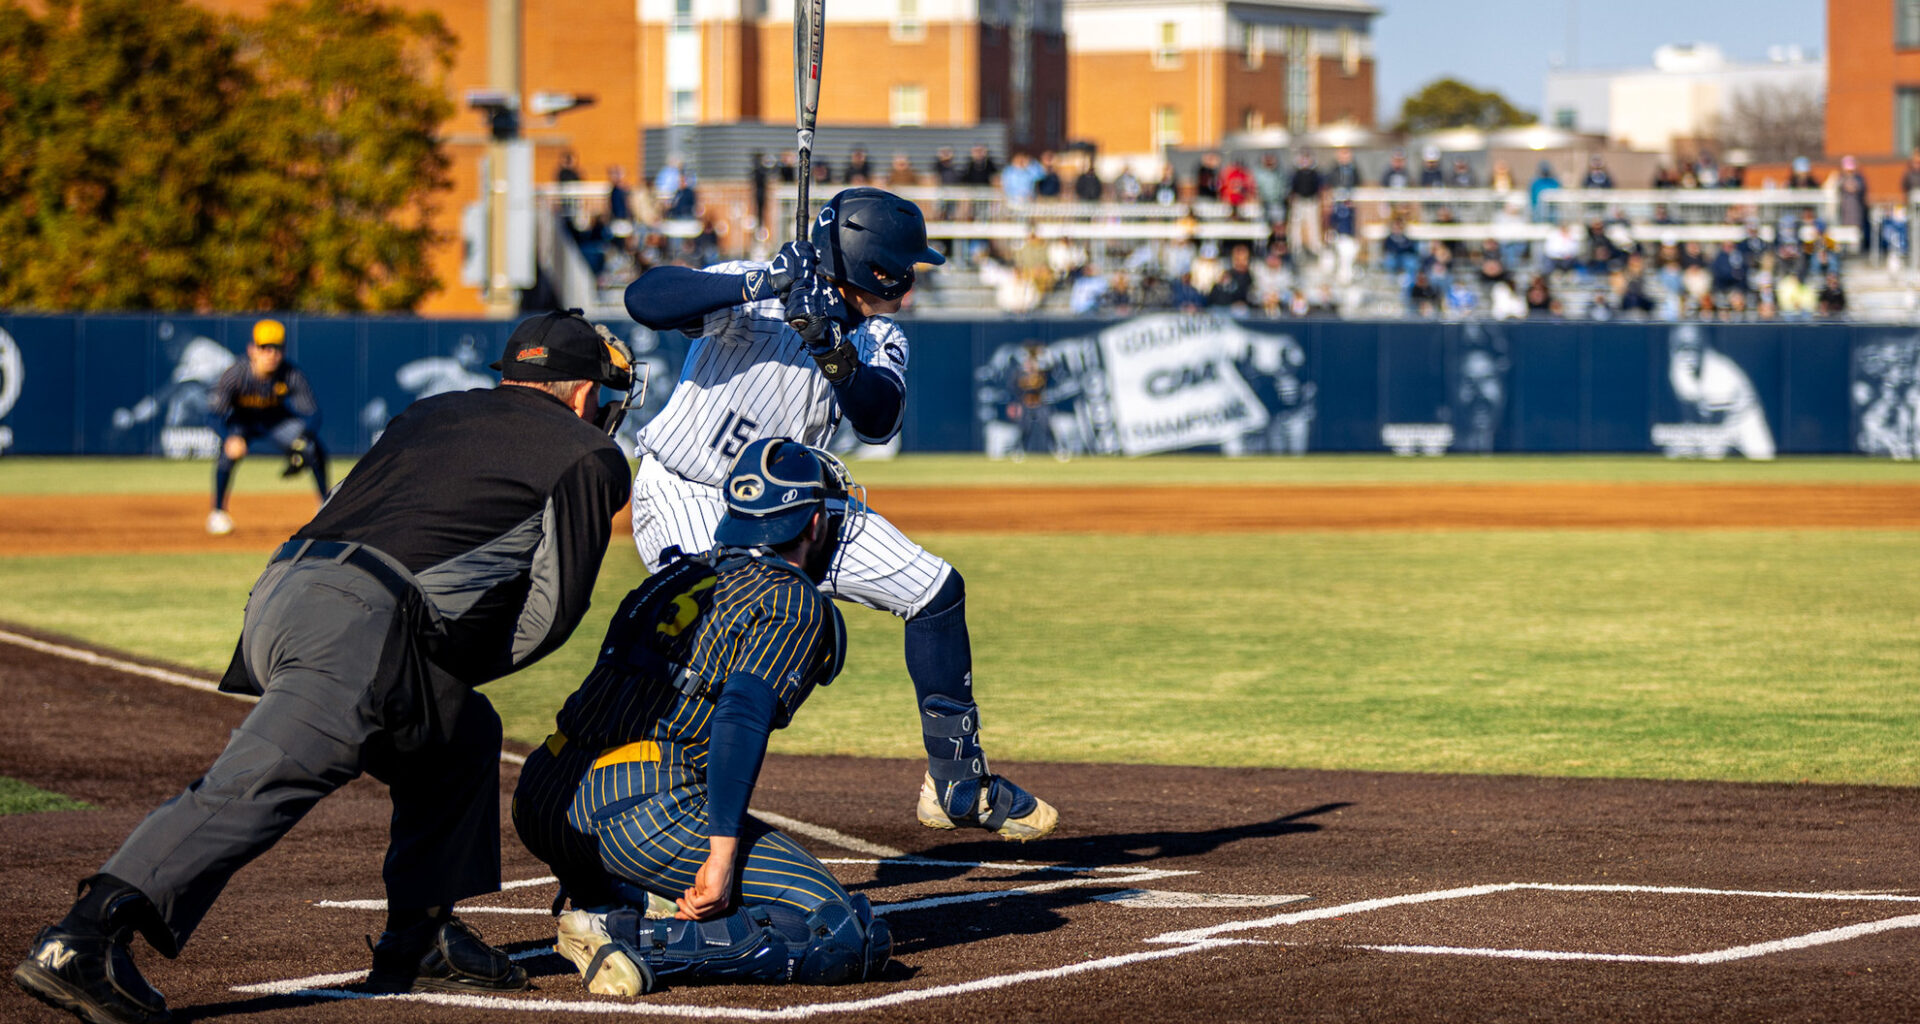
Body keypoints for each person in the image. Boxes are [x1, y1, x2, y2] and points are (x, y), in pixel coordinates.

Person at [13, 310, 637, 1024]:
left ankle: (421, 934)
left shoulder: (432, 412)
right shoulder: (588, 453)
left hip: (283, 588)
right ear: (588, 393)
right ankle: (84, 936)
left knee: (460, 732)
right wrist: (444, 658)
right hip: (357, 623)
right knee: (255, 781)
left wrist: (426, 672)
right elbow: (551, 613)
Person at [620, 187, 1058, 846]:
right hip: (691, 494)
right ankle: (666, 820)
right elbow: (646, 298)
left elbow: (877, 417)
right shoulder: (756, 295)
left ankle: (958, 784)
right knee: (718, 644)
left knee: (935, 590)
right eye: (904, 271)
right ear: (876, 268)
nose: (910, 286)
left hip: (797, 508)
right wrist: (760, 282)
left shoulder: (880, 333)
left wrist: (832, 349)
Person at [512, 438, 890, 995]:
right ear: (812, 523)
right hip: (637, 811)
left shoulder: (673, 576)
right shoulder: (790, 597)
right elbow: (742, 712)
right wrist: (721, 852)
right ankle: (630, 940)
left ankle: (605, 902)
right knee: (839, 933)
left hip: (546, 795)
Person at [204, 319, 329, 536]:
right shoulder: (236, 374)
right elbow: (213, 414)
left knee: (314, 448)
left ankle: (325, 506)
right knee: (228, 454)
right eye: (264, 348)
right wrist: (228, 438)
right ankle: (218, 513)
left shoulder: (291, 374)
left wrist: (302, 440)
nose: (271, 354)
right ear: (252, 349)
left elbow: (312, 414)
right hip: (242, 422)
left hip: (275, 421)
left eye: (277, 348)